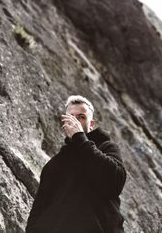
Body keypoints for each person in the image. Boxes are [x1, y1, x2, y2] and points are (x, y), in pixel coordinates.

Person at [26, 95, 126, 233]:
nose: (75, 121)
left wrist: (80, 138)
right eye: (71, 117)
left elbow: (115, 182)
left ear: (91, 124)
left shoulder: (107, 147)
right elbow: (38, 211)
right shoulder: (53, 165)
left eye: (81, 117)